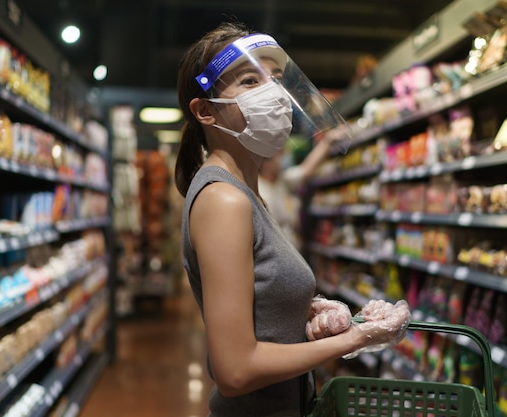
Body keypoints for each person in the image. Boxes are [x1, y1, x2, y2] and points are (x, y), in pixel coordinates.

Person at [174, 22, 410, 417]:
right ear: (206, 111)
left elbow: (257, 305)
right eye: (251, 80)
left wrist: (310, 311)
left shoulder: (247, 192)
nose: (275, 94)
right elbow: (234, 371)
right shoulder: (224, 200)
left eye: (278, 79)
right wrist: (359, 336)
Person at [258, 128, 345, 251]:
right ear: (266, 162)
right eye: (280, 154)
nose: (285, 158)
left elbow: (307, 169)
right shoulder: (260, 191)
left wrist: (327, 141)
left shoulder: (281, 182)